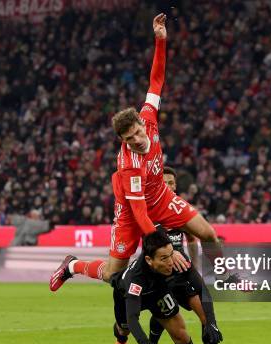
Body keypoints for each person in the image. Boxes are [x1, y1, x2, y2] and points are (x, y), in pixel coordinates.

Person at [50, 13, 222, 291]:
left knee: (209, 233)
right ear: (122, 140)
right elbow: (141, 215)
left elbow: (156, 80)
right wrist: (166, 250)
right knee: (112, 275)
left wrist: (161, 41)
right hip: (131, 212)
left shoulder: (148, 116)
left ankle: (225, 277)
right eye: (130, 139)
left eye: (139, 133)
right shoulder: (129, 164)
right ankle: (72, 265)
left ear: (143, 124)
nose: (139, 140)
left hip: (161, 196)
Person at [110, 229, 225, 344]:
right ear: (149, 260)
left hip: (159, 291)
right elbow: (132, 318)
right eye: (164, 258)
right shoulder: (135, 279)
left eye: (171, 254)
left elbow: (202, 289)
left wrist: (211, 323)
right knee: (124, 328)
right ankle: (121, 342)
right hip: (129, 296)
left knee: (181, 336)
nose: (171, 261)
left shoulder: (177, 260)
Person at [143, 167, 230, 344]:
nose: (169, 186)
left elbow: (192, 238)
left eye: (172, 182)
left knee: (206, 313)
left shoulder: (178, 209)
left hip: (183, 272)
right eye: (164, 182)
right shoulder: (150, 210)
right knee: (164, 314)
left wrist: (195, 265)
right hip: (161, 275)